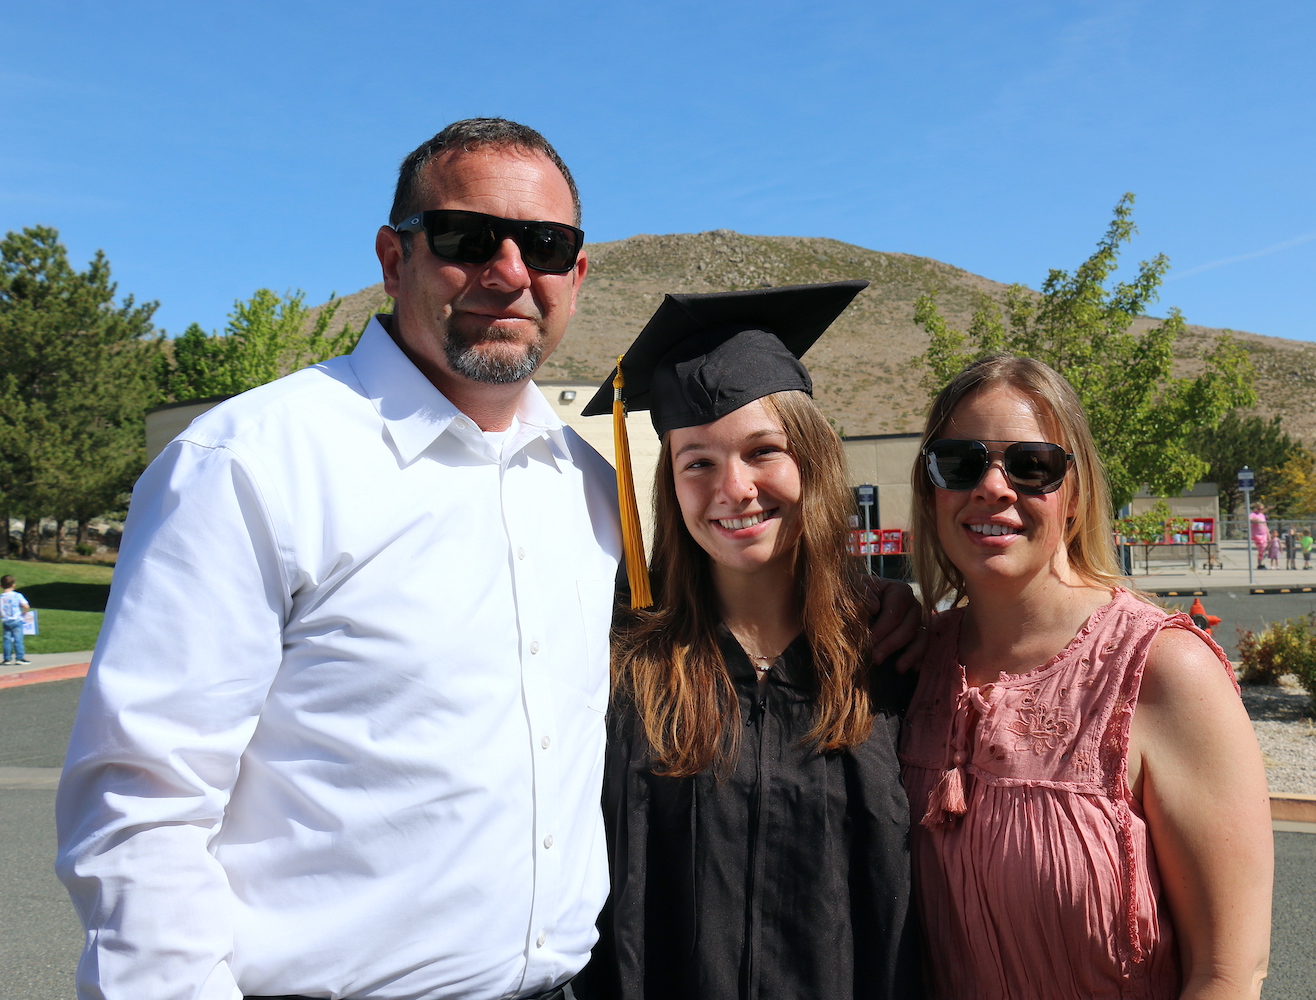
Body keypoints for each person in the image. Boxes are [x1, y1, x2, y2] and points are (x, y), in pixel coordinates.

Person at [54, 119, 921, 1000]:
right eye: (469, 238)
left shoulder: (584, 489)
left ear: (575, 278)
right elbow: (141, 807)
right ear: (395, 259)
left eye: (545, 245)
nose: (509, 272)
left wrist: (876, 606)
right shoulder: (254, 463)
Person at [581, 283, 922, 1000]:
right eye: (697, 461)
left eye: (763, 451)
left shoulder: (893, 665)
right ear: (670, 486)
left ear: (813, 460)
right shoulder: (621, 665)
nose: (733, 488)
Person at [899, 354, 1273, 999]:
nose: (993, 487)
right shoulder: (908, 666)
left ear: (1074, 494)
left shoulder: (1163, 670)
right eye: (961, 462)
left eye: (1031, 465)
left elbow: (1227, 972)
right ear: (931, 486)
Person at [1, 574, 31, 665]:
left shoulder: (1, 597)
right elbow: (26, 606)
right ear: (13, 585)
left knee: (7, 640)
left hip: (5, 620)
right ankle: (19, 658)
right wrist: (24, 613)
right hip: (17, 620)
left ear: (1, 586)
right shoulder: (17, 595)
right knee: (18, 639)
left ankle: (7, 659)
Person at [1249, 501, 1269, 570]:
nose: (1260, 510)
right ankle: (1260, 562)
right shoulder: (1253, 514)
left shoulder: (1262, 515)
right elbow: (1249, 519)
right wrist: (1256, 520)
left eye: (1261, 509)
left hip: (1264, 534)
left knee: (1263, 549)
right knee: (1262, 547)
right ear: (1256, 508)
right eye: (1259, 509)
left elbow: (1265, 525)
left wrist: (1268, 535)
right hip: (1256, 535)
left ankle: (1260, 563)